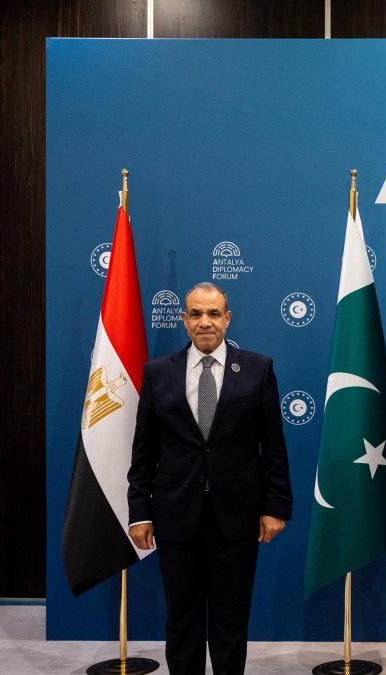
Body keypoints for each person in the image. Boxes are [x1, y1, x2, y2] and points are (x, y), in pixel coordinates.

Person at [127, 282, 292, 675]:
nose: (205, 322)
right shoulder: (157, 373)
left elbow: (273, 445)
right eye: (196, 314)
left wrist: (275, 506)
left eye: (214, 314)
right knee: (181, 620)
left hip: (236, 517)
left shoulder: (257, 368)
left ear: (227, 319)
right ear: (184, 320)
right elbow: (144, 450)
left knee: (230, 622)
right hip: (175, 516)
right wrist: (139, 512)